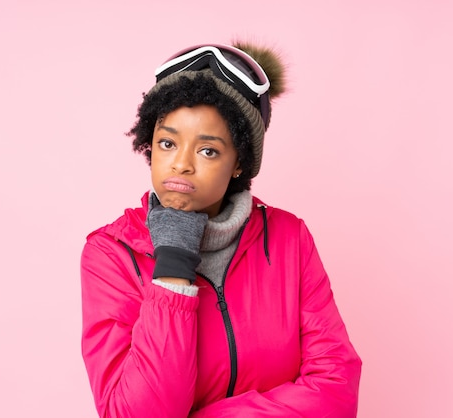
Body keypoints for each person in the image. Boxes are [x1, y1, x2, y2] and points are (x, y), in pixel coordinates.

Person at [80, 41, 362, 417]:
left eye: (208, 150)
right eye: (167, 143)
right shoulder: (111, 252)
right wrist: (173, 269)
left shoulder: (289, 238)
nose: (180, 164)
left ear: (240, 163)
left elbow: (336, 390)